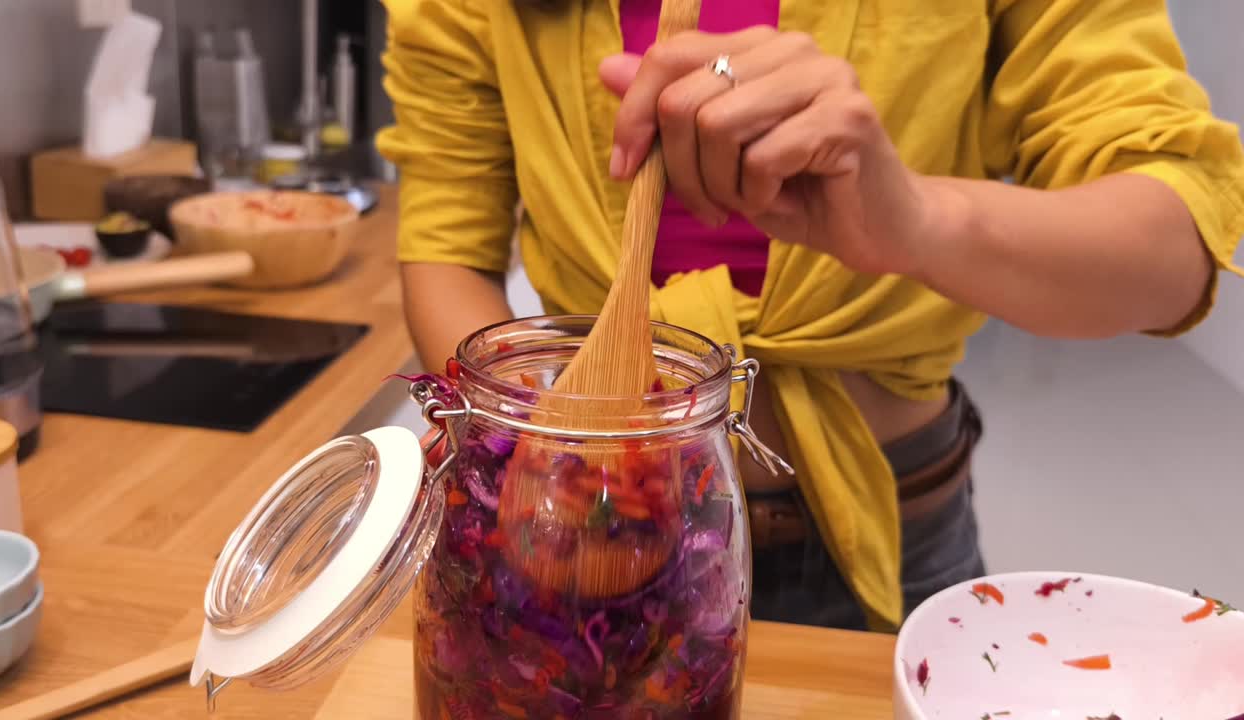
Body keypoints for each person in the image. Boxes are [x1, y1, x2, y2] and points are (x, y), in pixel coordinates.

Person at [377, 0, 1244, 631]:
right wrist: (543, 458)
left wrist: (916, 219)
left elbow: (1170, 255)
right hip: (583, 538)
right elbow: (448, 244)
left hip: (897, 531)